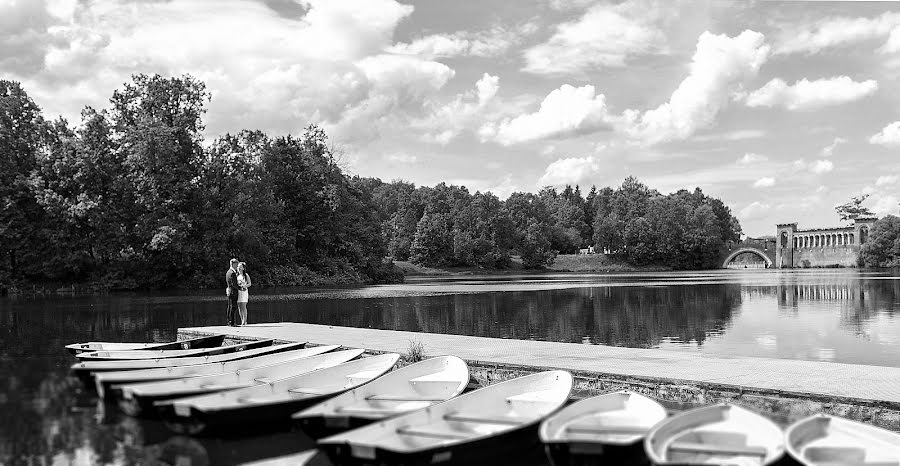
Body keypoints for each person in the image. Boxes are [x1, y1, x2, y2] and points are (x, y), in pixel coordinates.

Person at [225, 258, 239, 326]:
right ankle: (232, 322)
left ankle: (229, 321)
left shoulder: (228, 272)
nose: (237, 265)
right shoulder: (232, 273)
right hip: (233, 292)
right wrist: (240, 288)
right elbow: (234, 284)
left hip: (230, 291)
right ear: (233, 264)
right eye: (236, 264)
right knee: (233, 307)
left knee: (230, 306)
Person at [237, 262, 251, 326]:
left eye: (240, 266)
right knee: (239, 306)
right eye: (238, 266)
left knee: (243, 306)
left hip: (244, 291)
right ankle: (241, 319)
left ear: (243, 268)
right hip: (238, 292)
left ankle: (244, 321)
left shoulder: (246, 275)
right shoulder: (236, 275)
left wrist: (245, 286)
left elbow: (249, 284)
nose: (239, 267)